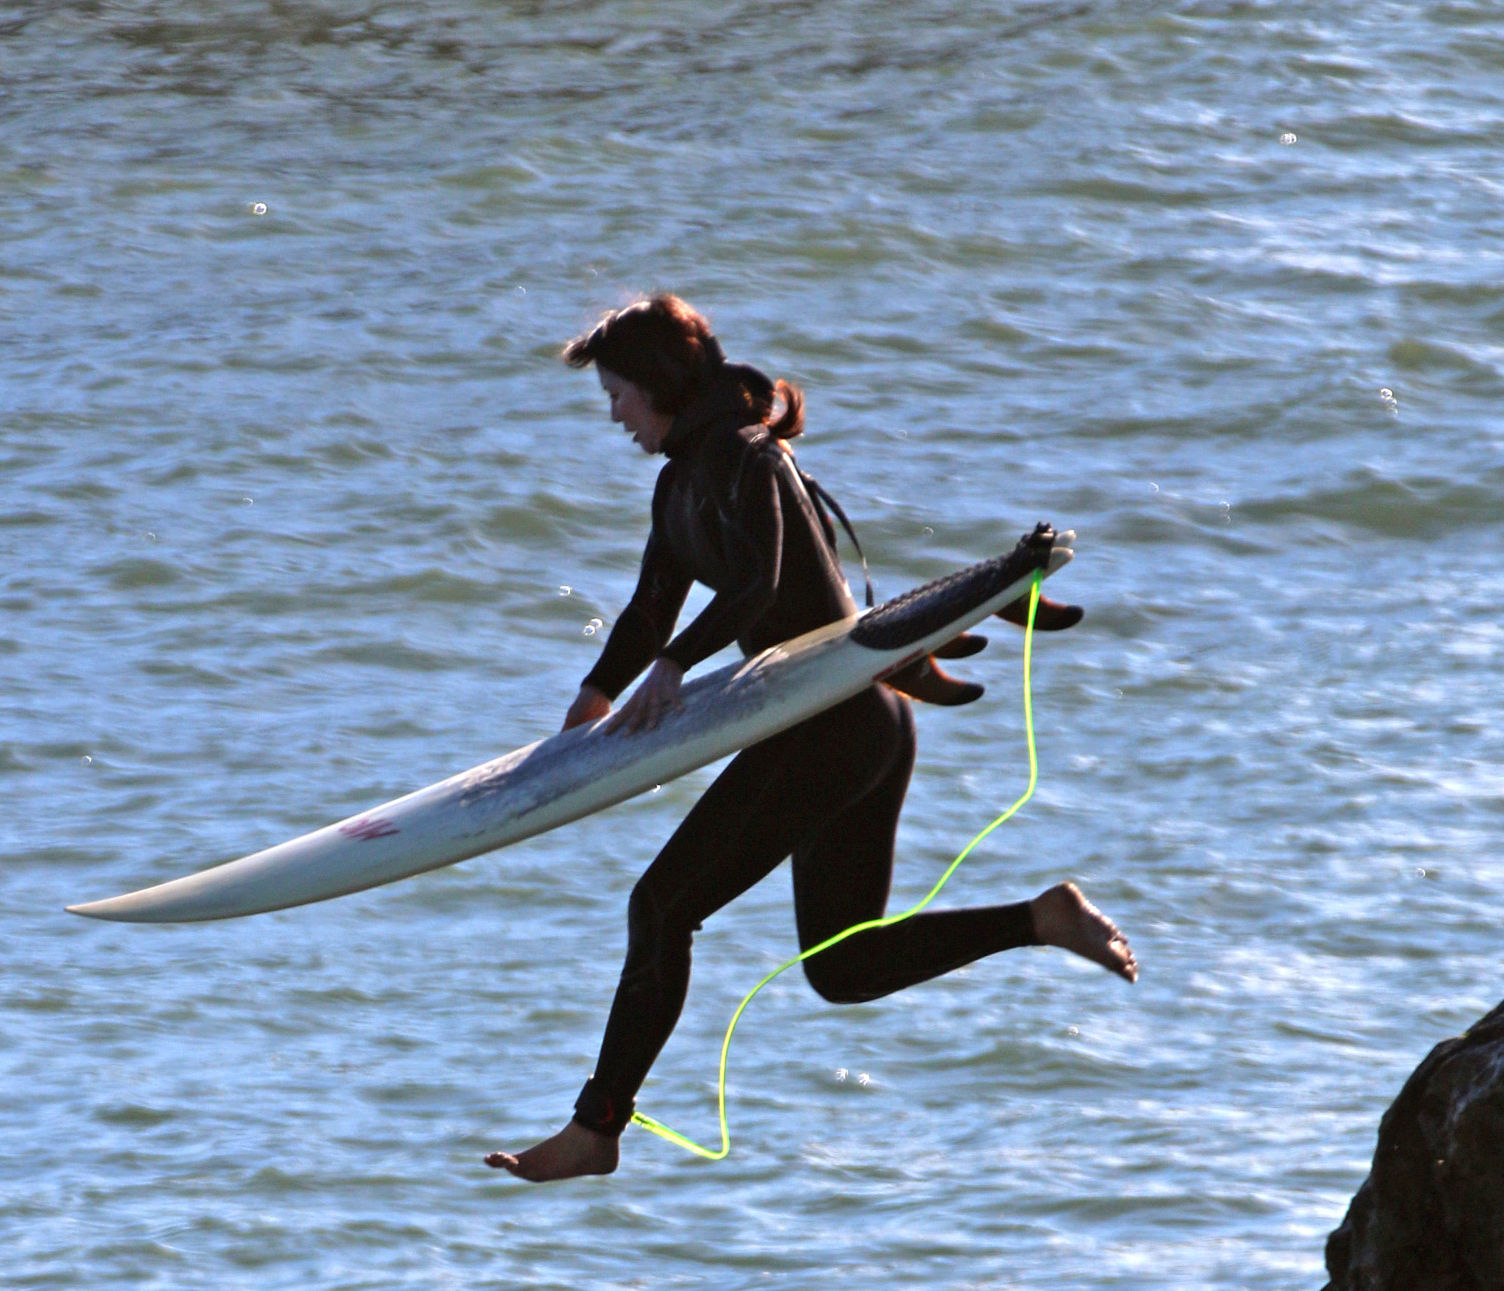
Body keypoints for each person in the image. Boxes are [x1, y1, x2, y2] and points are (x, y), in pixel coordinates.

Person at [485, 296, 1136, 1183]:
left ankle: (597, 1128)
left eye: (618, 394)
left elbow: (763, 581)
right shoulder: (682, 481)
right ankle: (1040, 918)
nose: (613, 415)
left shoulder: (752, 460)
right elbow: (649, 606)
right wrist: (597, 691)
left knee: (660, 908)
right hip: (833, 726)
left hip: (831, 728)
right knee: (843, 967)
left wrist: (677, 667)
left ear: (659, 385)